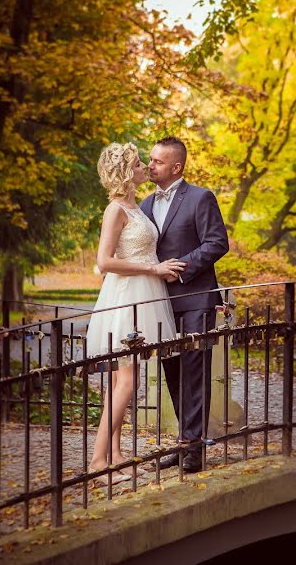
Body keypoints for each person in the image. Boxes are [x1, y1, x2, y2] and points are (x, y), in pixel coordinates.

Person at [85, 142, 186, 484]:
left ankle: (116, 456)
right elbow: (104, 262)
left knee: (121, 381)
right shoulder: (115, 209)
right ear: (128, 172)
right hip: (127, 297)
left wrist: (160, 268)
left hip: (144, 295)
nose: (146, 167)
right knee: (127, 382)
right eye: (140, 164)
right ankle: (98, 461)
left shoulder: (136, 205)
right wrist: (154, 270)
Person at [141, 136, 229, 473]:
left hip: (195, 298)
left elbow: (217, 242)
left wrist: (180, 269)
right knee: (173, 373)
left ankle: (195, 449)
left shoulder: (200, 197)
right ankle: (184, 443)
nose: (150, 166)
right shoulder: (146, 205)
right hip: (159, 303)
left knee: (195, 373)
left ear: (176, 167)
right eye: (150, 160)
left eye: (157, 162)